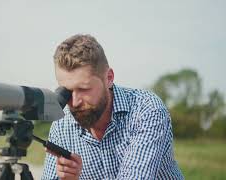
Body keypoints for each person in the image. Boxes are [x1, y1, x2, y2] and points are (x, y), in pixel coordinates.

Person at [42, 34, 184, 180]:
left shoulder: (146, 110)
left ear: (109, 78)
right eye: (67, 92)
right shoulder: (62, 124)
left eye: (84, 89)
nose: (75, 102)